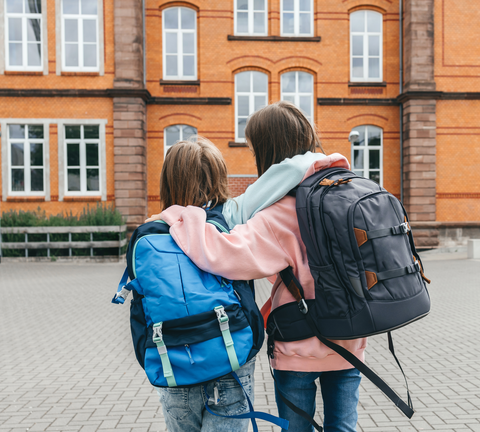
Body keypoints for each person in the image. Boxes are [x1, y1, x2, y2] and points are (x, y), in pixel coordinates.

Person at [148, 101, 367, 432]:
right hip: (351, 339)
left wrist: (181, 218)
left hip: (300, 345)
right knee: (343, 427)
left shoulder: (282, 213)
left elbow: (223, 255)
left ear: (268, 152)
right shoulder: (347, 190)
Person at [149, 136, 258, 432]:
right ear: (218, 178)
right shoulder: (230, 230)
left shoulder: (152, 234)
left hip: (173, 360)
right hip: (231, 357)